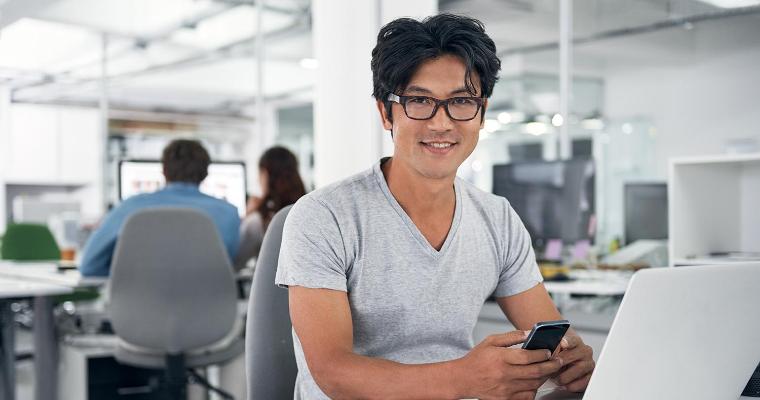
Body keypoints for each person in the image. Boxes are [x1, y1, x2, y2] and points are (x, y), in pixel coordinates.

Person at [274, 14, 595, 399]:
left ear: (481, 112)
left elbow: (547, 329)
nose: (442, 123)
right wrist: (469, 378)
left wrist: (568, 360)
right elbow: (334, 372)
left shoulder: (498, 218)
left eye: (461, 101)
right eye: (420, 101)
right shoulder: (323, 216)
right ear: (385, 112)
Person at [80, 139, 240, 277]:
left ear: (163, 171)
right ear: (206, 173)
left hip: (136, 308)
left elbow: (89, 266)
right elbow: (224, 267)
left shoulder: (130, 208)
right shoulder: (229, 214)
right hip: (211, 310)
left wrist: (131, 277)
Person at [235, 146, 306, 268]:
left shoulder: (258, 220)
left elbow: (236, 262)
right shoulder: (310, 211)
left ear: (265, 174)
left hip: (266, 287)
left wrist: (247, 215)